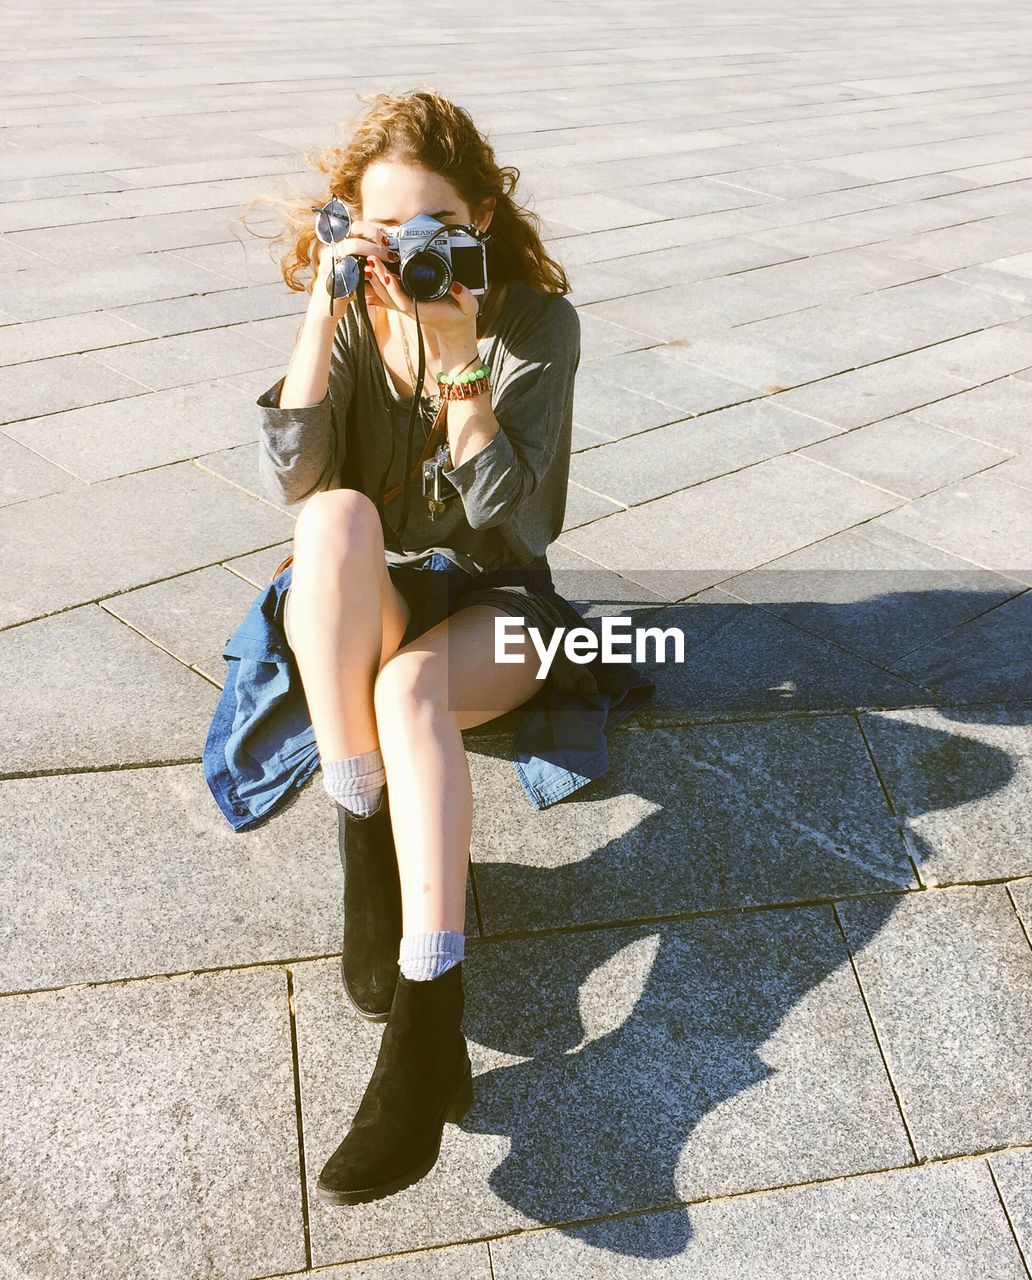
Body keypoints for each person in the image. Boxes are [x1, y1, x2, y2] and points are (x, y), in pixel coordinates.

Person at [212, 87, 654, 1206]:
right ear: (351, 225)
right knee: (334, 519)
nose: (411, 257)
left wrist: (461, 366)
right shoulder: (356, 311)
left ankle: (426, 1014)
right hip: (370, 592)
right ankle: (367, 848)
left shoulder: (531, 324)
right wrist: (323, 309)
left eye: (433, 235)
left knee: (411, 689)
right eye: (383, 232)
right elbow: (291, 481)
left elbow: (519, 528)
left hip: (500, 609)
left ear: (478, 217)